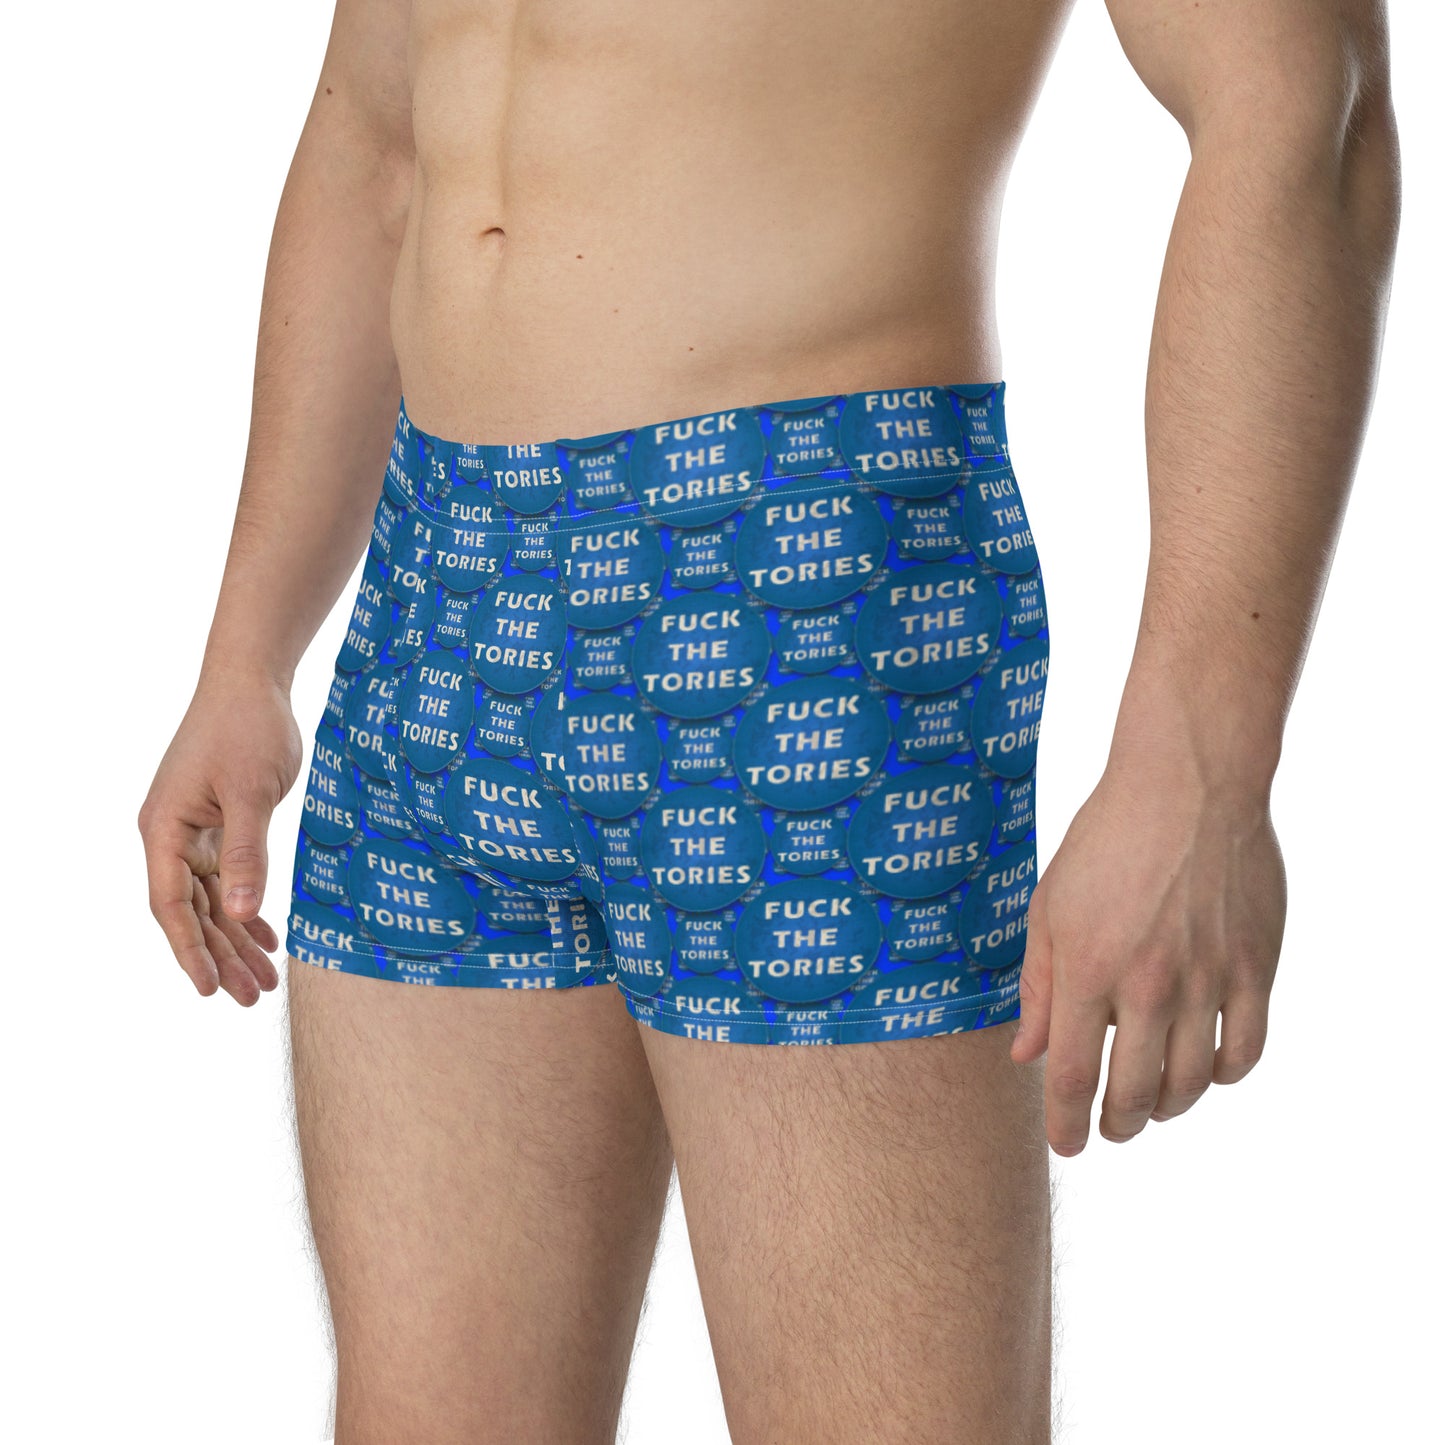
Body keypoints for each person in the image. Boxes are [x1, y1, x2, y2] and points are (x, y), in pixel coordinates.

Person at [137, 1, 1401, 1439]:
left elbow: (1300, 105)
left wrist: (1202, 758)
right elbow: (378, 143)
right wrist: (249, 651)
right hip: (439, 593)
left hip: (799, 573)